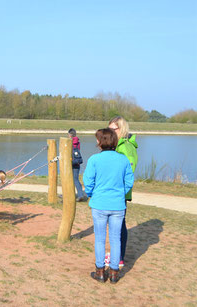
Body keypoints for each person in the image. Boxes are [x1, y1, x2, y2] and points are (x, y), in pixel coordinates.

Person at [83, 128, 134, 284]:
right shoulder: (123, 160)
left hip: (99, 204)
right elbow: (129, 182)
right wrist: (120, 194)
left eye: (97, 139)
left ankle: (100, 271)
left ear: (100, 142)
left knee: (99, 238)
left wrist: (91, 193)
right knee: (115, 239)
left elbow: (88, 181)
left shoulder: (94, 160)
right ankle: (113, 273)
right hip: (118, 205)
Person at [108, 116, 138, 269]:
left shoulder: (125, 147)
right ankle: (117, 255)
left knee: (119, 225)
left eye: (114, 129)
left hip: (119, 192)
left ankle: (119, 257)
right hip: (115, 191)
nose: (111, 132)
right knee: (118, 224)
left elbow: (128, 171)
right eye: (109, 129)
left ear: (122, 129)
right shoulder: (118, 144)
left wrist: (118, 188)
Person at [68, 128, 87, 202]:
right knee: (76, 179)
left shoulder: (69, 142)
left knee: (68, 178)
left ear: (70, 135)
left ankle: (68, 194)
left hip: (70, 162)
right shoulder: (77, 142)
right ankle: (80, 195)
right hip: (77, 162)